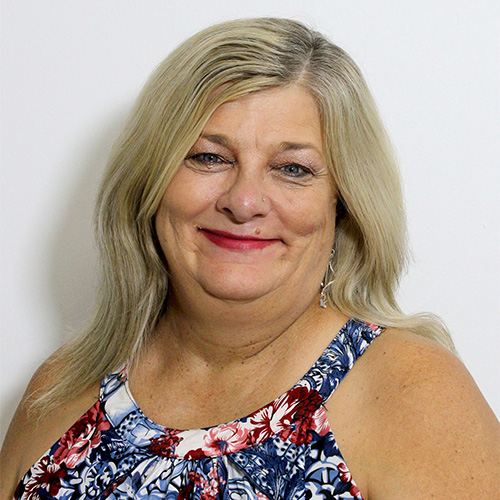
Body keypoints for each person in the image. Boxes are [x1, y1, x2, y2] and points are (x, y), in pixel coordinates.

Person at [0, 17, 498, 500]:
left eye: (292, 168)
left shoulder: (412, 393)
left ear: (344, 203)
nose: (243, 202)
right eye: (209, 157)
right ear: (149, 182)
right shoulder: (61, 388)